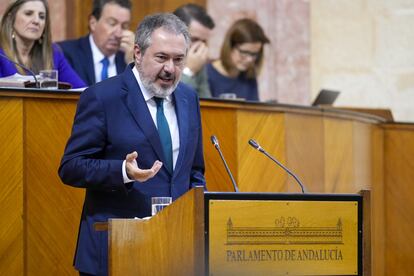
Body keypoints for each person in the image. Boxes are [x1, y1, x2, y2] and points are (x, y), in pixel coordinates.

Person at [58, 13, 205, 276]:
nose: (170, 68)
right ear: (138, 53)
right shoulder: (103, 97)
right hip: (117, 249)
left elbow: (194, 171)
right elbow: (71, 167)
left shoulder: (187, 98)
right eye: (161, 58)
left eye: (178, 59)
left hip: (175, 251)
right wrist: (123, 172)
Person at [0, 0, 86, 88]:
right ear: (10, 18)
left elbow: (81, 90)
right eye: (28, 14)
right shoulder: (1, 54)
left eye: (41, 17)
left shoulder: (53, 53)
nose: (36, 21)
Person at [58, 0, 134, 86]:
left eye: (124, 26)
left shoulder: (128, 60)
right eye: (112, 23)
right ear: (93, 23)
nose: (118, 34)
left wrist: (133, 64)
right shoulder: (66, 54)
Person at [207, 18, 269, 101]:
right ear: (230, 47)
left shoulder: (249, 77)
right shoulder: (206, 74)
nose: (249, 59)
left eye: (254, 54)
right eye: (244, 52)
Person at [173, 3, 215, 98]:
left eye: (204, 41)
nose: (200, 47)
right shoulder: (159, 57)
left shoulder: (197, 60)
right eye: (195, 39)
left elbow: (206, 103)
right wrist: (189, 71)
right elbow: (171, 100)